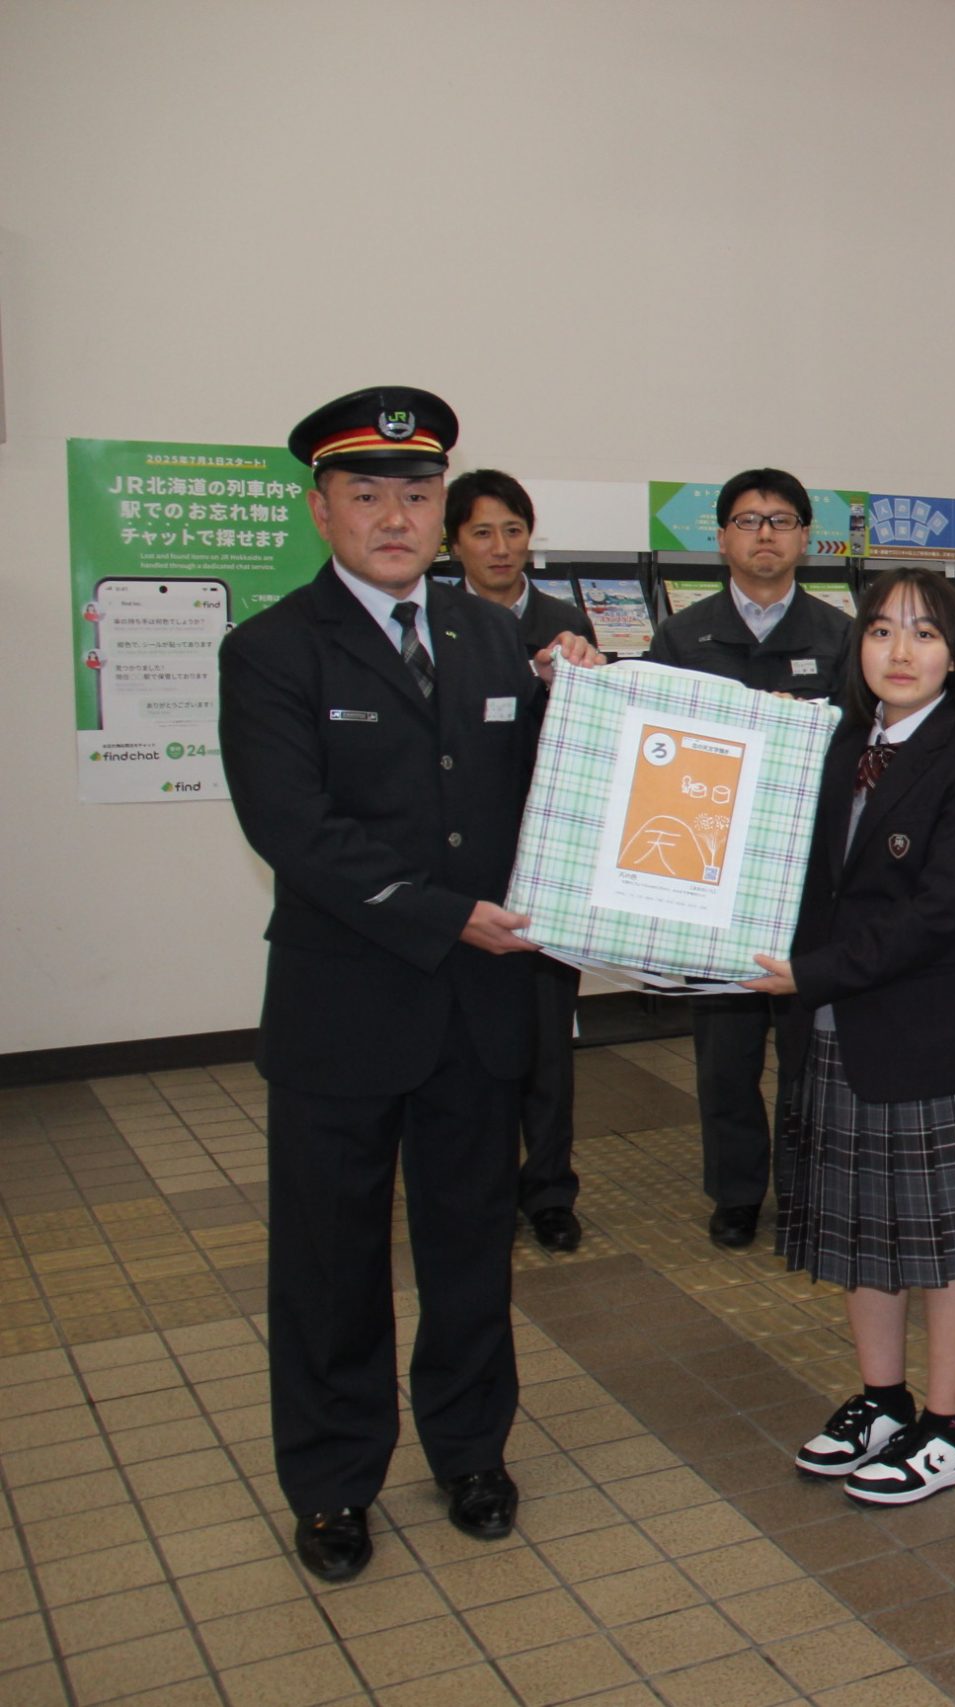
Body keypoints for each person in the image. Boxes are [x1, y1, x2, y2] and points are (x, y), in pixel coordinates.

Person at [217, 387, 602, 1583]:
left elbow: (556, 794)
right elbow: (296, 832)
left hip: (476, 1017)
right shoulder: (271, 651)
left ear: (443, 510)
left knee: (470, 1248)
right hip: (344, 1013)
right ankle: (333, 1483)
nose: (396, 517)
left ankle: (470, 1452)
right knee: (330, 1264)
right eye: (368, 494)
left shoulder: (494, 640)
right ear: (320, 508)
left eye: (418, 495)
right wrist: (449, 917)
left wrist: (590, 702)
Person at [746, 568, 955, 1505]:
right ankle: (882, 1399)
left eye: (924, 632)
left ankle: (950, 1425)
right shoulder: (830, 747)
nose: (899, 651)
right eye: (879, 630)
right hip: (832, 1031)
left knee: (946, 1246)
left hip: (930, 1037)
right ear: (856, 645)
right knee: (860, 1234)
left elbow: (939, 913)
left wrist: (811, 972)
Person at [644, 469, 855, 1250]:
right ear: (721, 537)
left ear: (805, 537)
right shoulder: (682, 636)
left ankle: (804, 1187)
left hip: (808, 876)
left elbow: (858, 753)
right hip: (714, 876)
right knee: (725, 1053)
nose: (765, 534)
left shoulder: (841, 636)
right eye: (747, 520)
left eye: (781, 519)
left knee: (806, 1046)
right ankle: (736, 1191)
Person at [446, 468, 597, 1255]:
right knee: (470, 1040)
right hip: (469, 862)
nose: (500, 546)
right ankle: (481, 1186)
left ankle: (549, 1190)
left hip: (552, 860)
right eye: (481, 532)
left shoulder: (565, 621)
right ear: (455, 544)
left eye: (512, 529)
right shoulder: (437, 623)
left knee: (546, 1039)